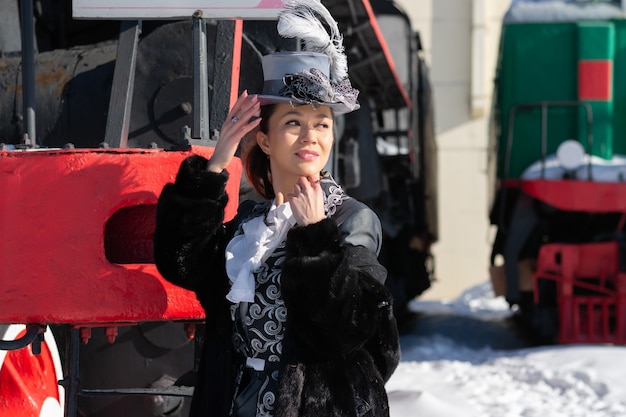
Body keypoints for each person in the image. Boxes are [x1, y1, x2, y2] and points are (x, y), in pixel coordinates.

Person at [153, 1, 400, 416]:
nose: (310, 136)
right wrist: (216, 165)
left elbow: (351, 332)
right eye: (292, 123)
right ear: (264, 140)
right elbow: (180, 263)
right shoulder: (252, 224)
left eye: (322, 123)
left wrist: (316, 237)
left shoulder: (351, 220)